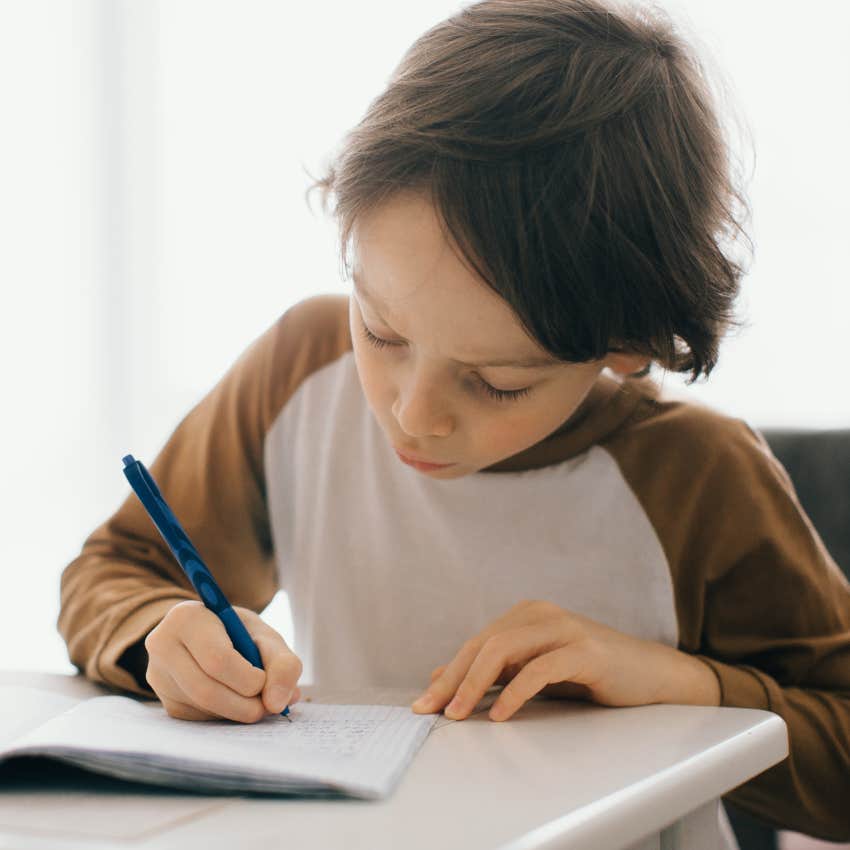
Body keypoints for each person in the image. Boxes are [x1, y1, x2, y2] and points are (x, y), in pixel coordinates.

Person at [58, 0, 849, 839]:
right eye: (382, 330)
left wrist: (680, 684)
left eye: (497, 383)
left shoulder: (700, 479)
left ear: (623, 345)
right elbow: (119, 567)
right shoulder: (298, 370)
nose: (412, 415)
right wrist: (160, 639)